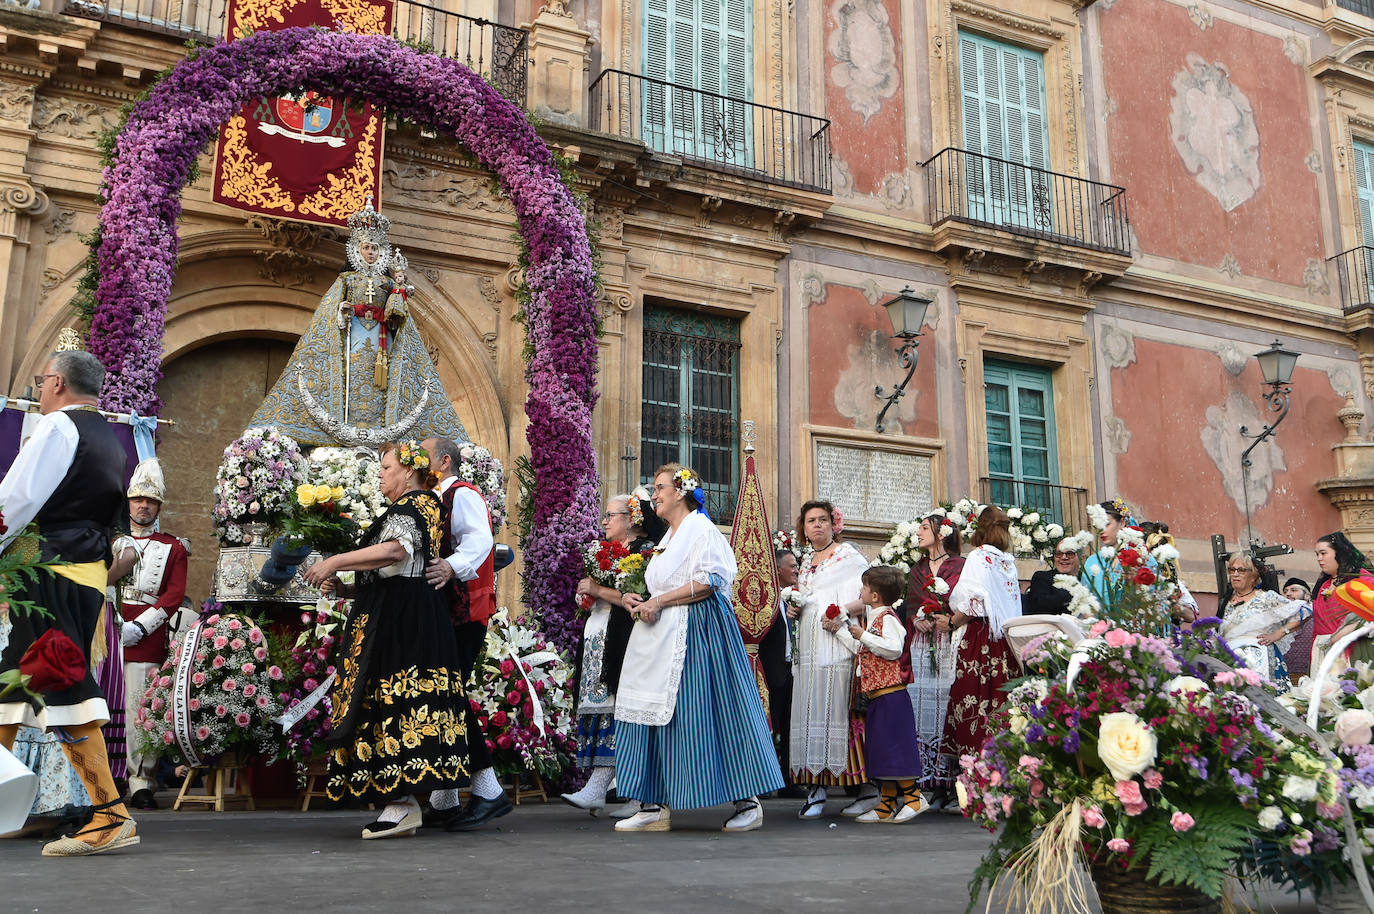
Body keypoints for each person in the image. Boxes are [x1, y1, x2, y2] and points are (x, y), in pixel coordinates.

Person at [0, 349, 134, 856]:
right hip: (82, 571)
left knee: (62, 683)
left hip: (52, 570)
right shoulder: (110, 439)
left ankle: (109, 813)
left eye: (41, 381)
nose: (39, 389)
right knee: (12, 682)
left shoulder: (57, 429)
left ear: (55, 382)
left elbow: (15, 499)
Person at [304, 441, 471, 839]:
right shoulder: (402, 509)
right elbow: (387, 569)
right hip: (392, 612)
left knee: (401, 702)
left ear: (409, 471)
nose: (380, 473)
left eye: (387, 466)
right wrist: (345, 589)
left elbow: (397, 552)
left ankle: (403, 804)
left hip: (406, 619)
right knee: (382, 702)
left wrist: (335, 560)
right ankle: (405, 803)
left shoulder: (422, 503)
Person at [613, 464, 783, 832]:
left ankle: (748, 801)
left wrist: (658, 602)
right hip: (660, 634)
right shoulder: (668, 537)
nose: (653, 495)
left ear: (680, 491)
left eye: (659, 488)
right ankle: (652, 803)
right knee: (651, 711)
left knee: (710, 709)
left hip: (698, 631)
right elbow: (665, 583)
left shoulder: (701, 529)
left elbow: (708, 581)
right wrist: (641, 598)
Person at [249, 198, 469, 448]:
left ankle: (378, 423)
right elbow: (328, 316)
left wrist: (398, 298)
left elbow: (398, 315)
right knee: (352, 372)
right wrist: (342, 313)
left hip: (380, 339)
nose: (371, 253)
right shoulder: (346, 280)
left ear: (381, 252)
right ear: (357, 249)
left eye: (375, 248)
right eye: (366, 248)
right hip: (353, 334)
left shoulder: (387, 285)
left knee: (379, 378)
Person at [414, 436, 510, 831]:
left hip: (465, 611)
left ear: (445, 462)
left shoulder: (463, 494)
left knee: (448, 693)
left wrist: (451, 567)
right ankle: (446, 797)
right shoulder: (434, 499)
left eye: (423, 457)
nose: (416, 463)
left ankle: (488, 790)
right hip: (448, 612)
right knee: (443, 694)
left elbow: (480, 541)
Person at [560, 491, 665, 815]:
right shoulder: (602, 552)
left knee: (618, 711)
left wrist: (598, 590)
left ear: (631, 520)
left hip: (623, 642)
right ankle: (614, 788)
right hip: (598, 638)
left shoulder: (644, 552)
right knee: (600, 708)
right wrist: (587, 598)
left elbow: (639, 598)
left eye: (611, 515)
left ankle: (610, 788)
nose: (604, 521)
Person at [106, 458, 188, 811]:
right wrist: (113, 622)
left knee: (141, 708)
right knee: (107, 705)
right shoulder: (110, 540)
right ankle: (108, 778)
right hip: (107, 627)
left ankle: (142, 780)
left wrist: (140, 627)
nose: (143, 506)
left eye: (150, 501)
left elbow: (173, 595)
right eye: (137, 500)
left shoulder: (174, 547)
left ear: (159, 507)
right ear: (128, 503)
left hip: (147, 634)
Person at [788, 499, 871, 819]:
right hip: (809, 651)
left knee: (842, 717)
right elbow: (809, 599)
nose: (817, 525)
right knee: (812, 716)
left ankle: (866, 788)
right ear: (804, 528)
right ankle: (816, 789)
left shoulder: (848, 556)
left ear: (833, 524)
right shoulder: (806, 560)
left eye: (822, 519)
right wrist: (795, 609)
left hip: (837, 647)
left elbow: (868, 595)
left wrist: (842, 612)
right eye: (811, 521)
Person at [824, 565, 926, 823]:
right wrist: (843, 633)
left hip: (892, 696)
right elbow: (862, 648)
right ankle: (888, 802)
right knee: (881, 749)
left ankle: (914, 798)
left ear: (875, 596)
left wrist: (865, 635)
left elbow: (893, 649)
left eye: (865, 588)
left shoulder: (888, 619)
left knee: (895, 747)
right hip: (878, 697)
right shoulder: (875, 620)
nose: (861, 592)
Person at [938, 505, 1022, 767]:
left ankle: (974, 768)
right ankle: (1002, 765)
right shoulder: (1008, 561)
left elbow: (973, 601)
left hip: (979, 638)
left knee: (974, 700)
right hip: (1004, 641)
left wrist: (951, 622)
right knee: (999, 701)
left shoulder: (978, 556)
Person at [906, 512, 965, 811]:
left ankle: (953, 784)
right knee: (922, 708)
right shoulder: (916, 569)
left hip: (948, 643)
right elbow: (910, 605)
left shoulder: (959, 566)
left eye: (923, 528)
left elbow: (965, 602)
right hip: (922, 644)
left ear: (941, 533)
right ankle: (929, 783)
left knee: (947, 706)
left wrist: (949, 621)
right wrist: (917, 620)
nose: (918, 533)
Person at [1219, 552, 1302, 687]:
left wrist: (1278, 633)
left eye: (1241, 570)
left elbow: (1304, 610)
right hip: (1230, 663)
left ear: (1253, 576)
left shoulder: (1266, 598)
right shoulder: (1226, 602)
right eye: (1232, 569)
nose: (1235, 574)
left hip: (1260, 662)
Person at [758, 548, 799, 796]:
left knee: (789, 726)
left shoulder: (792, 598)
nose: (796, 569)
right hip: (771, 672)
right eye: (792, 565)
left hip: (792, 670)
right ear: (777, 569)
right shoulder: (766, 598)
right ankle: (764, 781)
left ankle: (789, 781)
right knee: (769, 726)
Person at [1311, 532, 1374, 670]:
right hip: (1324, 652)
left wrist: (1350, 628)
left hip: (1353, 650)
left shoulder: (1361, 579)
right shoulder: (1323, 585)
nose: (1319, 558)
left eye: (1323, 553)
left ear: (1339, 553)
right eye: (1317, 554)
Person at [1022, 539, 1080, 615]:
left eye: (1069, 553)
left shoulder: (1087, 580)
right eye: (1059, 553)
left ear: (1081, 557)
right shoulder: (1042, 577)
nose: (1064, 557)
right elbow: (1041, 605)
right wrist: (1078, 595)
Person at [1281, 577, 1314, 679]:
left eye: (1294, 590)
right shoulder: (1279, 616)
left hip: (1310, 674)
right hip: (1285, 673)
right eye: (1285, 592)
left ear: (1307, 595)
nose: (1288, 594)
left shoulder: (1316, 613)